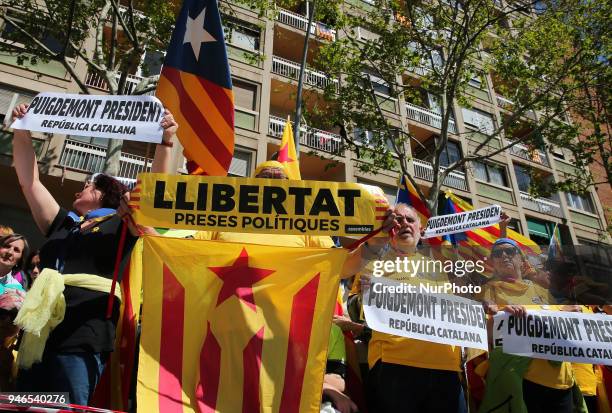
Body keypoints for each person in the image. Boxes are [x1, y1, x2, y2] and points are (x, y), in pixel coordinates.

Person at [10, 103, 177, 405]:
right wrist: (21, 130)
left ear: (103, 193)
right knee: (24, 406)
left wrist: (165, 142)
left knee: (68, 408)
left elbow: (153, 194)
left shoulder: (122, 222)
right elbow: (29, 181)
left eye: (87, 186)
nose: (78, 191)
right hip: (38, 335)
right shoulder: (63, 224)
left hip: (83, 336)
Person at [354, 203, 465, 413]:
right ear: (388, 228)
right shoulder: (371, 264)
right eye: (397, 220)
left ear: (420, 228)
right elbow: (356, 310)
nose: (404, 223)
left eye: (410, 220)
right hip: (395, 364)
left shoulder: (438, 269)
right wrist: (364, 295)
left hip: (446, 366)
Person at [479, 238, 579, 413]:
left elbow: (563, 327)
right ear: (493, 262)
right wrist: (498, 316)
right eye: (497, 253)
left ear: (521, 259)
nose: (504, 255)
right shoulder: (489, 290)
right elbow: (486, 336)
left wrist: (575, 315)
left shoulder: (542, 291)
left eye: (510, 252)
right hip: (522, 379)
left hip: (562, 380)